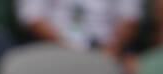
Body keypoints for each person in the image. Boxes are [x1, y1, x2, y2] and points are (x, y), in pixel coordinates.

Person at [16, 0, 144, 57]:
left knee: (133, 69)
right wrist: (66, 45)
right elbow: (32, 16)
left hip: (108, 48)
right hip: (54, 46)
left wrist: (113, 49)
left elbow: (130, 17)